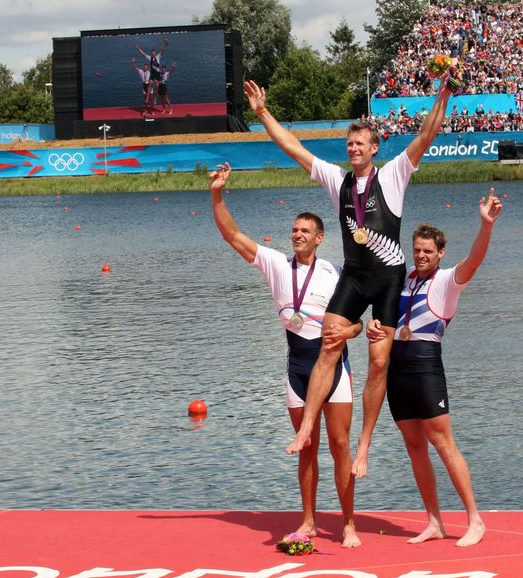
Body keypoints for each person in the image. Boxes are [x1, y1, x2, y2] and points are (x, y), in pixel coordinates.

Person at [244, 73, 452, 477]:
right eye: (349, 143)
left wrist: (442, 95)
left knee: (378, 363)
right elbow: (293, 148)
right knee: (329, 341)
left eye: (361, 143)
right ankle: (307, 426)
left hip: (389, 277)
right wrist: (263, 112)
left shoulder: (392, 175)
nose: (354, 148)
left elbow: (425, 136)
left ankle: (364, 445)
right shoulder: (336, 179)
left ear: (375, 149)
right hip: (356, 276)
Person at [210, 162, 363, 547]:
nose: (297, 234)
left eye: (305, 231)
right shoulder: (276, 264)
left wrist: (349, 330)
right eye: (294, 230)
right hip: (296, 366)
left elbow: (359, 324)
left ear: (319, 238)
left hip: (333, 366)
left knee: (339, 445)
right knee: (305, 447)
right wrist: (216, 193)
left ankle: (348, 524)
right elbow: (232, 235)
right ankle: (309, 521)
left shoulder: (335, 273)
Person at [366, 188, 502, 547]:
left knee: (443, 443)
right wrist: (374, 326)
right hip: (398, 369)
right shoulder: (405, 280)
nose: (422, 255)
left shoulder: (447, 281)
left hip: (427, 367)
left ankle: (474, 520)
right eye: (418, 250)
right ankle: (434, 521)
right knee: (414, 447)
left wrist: (485, 226)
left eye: (429, 251)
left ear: (440, 253)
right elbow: (386, 322)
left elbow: (474, 259)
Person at [136, 39, 167, 113]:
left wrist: (165, 44)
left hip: (157, 74)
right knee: (150, 85)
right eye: (152, 53)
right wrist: (138, 48)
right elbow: (143, 54)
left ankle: (157, 99)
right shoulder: (150, 58)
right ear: (151, 54)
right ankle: (147, 98)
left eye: (154, 53)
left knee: (158, 86)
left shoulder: (158, 57)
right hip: (152, 74)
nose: (153, 54)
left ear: (155, 53)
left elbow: (163, 51)